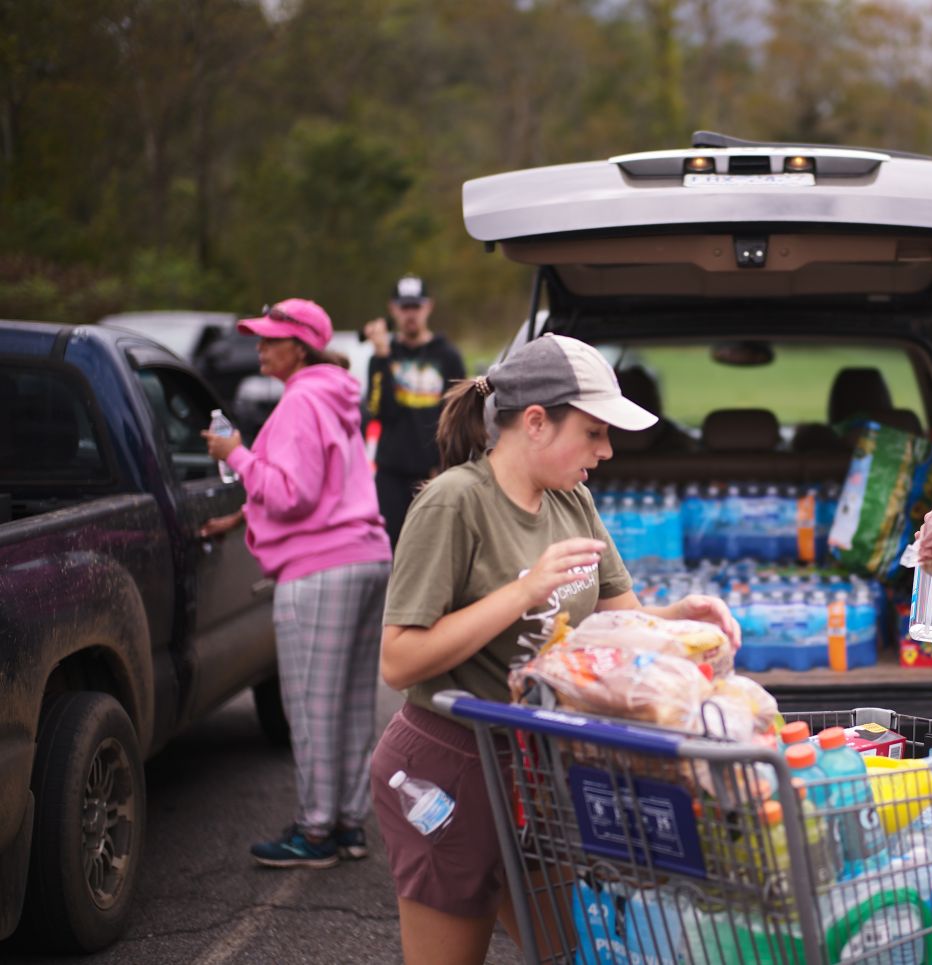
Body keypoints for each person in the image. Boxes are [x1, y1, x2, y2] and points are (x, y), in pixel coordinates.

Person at [369, 333, 741, 965]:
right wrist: (523, 592)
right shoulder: (455, 501)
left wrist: (682, 617)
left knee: (578, 950)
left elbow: (619, 621)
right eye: (593, 432)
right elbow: (398, 660)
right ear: (535, 422)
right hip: (449, 768)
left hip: (536, 763)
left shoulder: (573, 498)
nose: (606, 450)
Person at [201, 298, 392, 868]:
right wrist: (241, 514)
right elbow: (325, 484)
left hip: (321, 567)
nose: (258, 346)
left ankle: (313, 833)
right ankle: (349, 824)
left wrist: (235, 454)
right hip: (365, 554)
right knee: (352, 702)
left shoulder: (302, 398)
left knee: (311, 706)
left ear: (300, 347)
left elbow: (292, 494)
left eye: (270, 337)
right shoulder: (333, 394)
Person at [364, 274, 467, 547]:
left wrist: (445, 466)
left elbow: (457, 418)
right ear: (393, 309)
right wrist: (382, 358)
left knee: (432, 545)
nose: (410, 314)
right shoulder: (383, 355)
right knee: (393, 547)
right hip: (391, 473)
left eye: (416, 306)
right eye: (404, 307)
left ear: (428, 307)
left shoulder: (447, 355)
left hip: (432, 471)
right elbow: (377, 410)